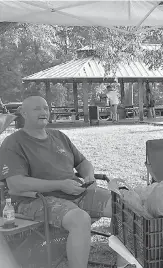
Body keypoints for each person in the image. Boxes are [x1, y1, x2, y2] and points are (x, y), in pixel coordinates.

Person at [0, 96, 113, 268]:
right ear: (23, 113)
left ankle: (126, 263)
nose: (44, 112)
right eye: (37, 109)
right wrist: (60, 185)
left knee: (122, 206)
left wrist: (88, 175)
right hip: (34, 200)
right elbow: (16, 184)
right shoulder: (13, 143)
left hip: (75, 191)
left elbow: (82, 162)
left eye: (46, 108)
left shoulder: (58, 136)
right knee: (79, 219)